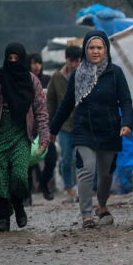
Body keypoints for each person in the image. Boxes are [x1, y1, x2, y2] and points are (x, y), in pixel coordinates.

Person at [49, 31, 133, 229]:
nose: (95, 51)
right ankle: (86, 214)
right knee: (87, 168)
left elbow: (126, 101)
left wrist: (126, 123)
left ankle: (102, 206)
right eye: (91, 48)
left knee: (105, 174)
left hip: (109, 128)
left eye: (99, 47)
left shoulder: (115, 73)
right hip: (84, 129)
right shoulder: (78, 75)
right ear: (86, 50)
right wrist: (53, 129)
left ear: (106, 50)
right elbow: (66, 104)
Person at [0, 43, 50, 231]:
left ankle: (18, 205)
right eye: (11, 59)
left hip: (21, 135)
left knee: (19, 174)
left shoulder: (31, 81)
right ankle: (3, 219)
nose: (14, 62)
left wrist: (44, 137)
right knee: (0, 178)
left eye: (17, 59)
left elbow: (41, 110)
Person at [46, 44, 83, 200]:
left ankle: (79, 189)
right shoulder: (56, 77)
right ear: (66, 59)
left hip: (82, 124)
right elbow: (51, 102)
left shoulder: (85, 75)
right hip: (64, 125)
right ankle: (69, 188)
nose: (74, 65)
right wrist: (51, 127)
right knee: (67, 158)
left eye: (77, 61)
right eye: (71, 61)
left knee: (81, 159)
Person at [28, 52, 57, 200]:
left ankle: (44, 184)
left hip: (46, 126)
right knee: (28, 161)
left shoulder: (48, 80)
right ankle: (26, 194)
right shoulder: (24, 82)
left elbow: (54, 101)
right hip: (27, 127)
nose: (36, 66)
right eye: (33, 63)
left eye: (39, 63)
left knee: (51, 159)